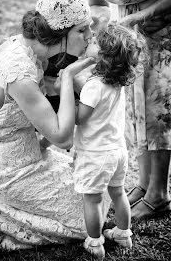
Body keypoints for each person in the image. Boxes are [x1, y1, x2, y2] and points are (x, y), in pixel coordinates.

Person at [0, 0, 112, 253]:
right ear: (59, 34)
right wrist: (67, 77)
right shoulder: (19, 70)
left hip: (27, 152)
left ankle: (6, 205)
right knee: (87, 220)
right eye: (82, 30)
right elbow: (61, 136)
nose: (90, 36)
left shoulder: (31, 50)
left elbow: (53, 89)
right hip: (5, 167)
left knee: (98, 192)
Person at [54, 0, 171, 219]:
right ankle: (143, 185)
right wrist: (98, 22)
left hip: (164, 32)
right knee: (136, 108)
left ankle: (159, 194)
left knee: (158, 111)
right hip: (129, 36)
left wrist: (140, 17)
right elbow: (99, 5)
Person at [69, 22, 148, 259]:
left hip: (96, 155)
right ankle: (124, 234)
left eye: (94, 42)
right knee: (118, 193)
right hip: (117, 152)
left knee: (92, 200)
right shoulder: (116, 81)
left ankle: (94, 243)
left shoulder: (94, 85)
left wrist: (66, 99)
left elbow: (80, 118)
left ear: (103, 54)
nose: (90, 40)